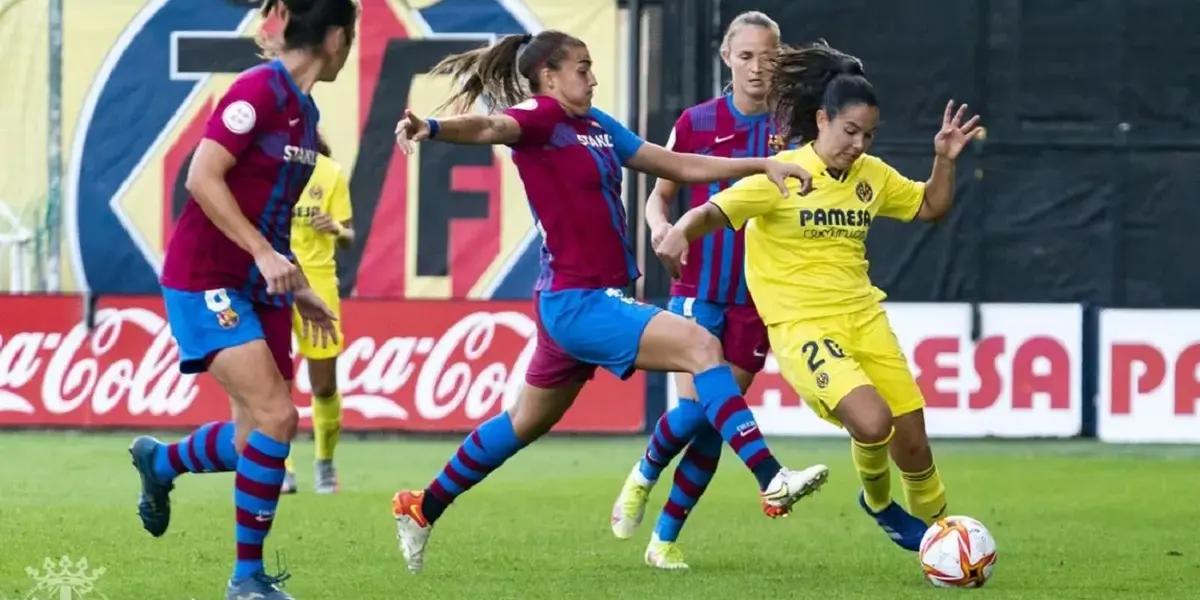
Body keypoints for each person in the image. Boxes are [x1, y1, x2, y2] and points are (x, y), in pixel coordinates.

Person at [389, 30, 828, 574]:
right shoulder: (541, 117)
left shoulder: (597, 128)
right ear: (549, 75)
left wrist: (760, 166)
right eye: (582, 67)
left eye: (592, 67)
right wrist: (430, 127)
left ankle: (421, 508)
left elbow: (676, 164)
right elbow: (489, 125)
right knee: (699, 345)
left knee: (521, 423)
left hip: (575, 302)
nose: (593, 77)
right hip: (580, 303)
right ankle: (771, 478)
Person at [657, 41, 982, 553]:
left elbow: (930, 207)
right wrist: (678, 232)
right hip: (803, 328)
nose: (859, 145)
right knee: (872, 422)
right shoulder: (782, 173)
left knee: (914, 445)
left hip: (864, 318)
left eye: (869, 136)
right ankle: (878, 505)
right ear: (822, 120)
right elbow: (713, 213)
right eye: (850, 131)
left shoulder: (871, 177)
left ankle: (943, 545)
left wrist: (944, 160)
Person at [126, 1, 356, 597]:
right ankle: (246, 580)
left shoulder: (305, 113)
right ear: (335, 37)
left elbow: (273, 213)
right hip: (207, 278)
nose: (348, 47)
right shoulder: (259, 89)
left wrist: (298, 284)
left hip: (264, 289)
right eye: (348, 36)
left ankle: (160, 463)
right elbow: (201, 177)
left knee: (255, 436)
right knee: (281, 417)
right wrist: (260, 254)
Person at [608, 11, 787, 570]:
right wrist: (660, 227)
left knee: (711, 423)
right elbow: (658, 197)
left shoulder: (796, 128)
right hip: (698, 289)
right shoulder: (695, 122)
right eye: (747, 56)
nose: (758, 68)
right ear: (726, 58)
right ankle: (644, 474)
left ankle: (663, 539)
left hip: (757, 297)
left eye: (769, 57)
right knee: (699, 411)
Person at [280, 135, 354, 495]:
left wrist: (337, 229)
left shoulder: (331, 173)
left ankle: (325, 462)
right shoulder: (271, 170)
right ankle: (281, 466)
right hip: (274, 283)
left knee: (324, 384)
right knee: (275, 385)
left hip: (320, 284)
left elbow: (350, 235)